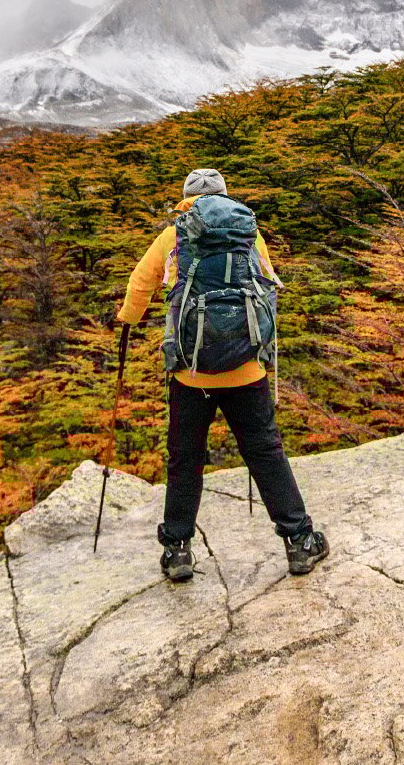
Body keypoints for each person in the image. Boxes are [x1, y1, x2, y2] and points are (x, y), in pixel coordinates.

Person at [116, 168, 328, 582]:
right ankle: (300, 541)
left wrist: (128, 320)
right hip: (246, 369)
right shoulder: (249, 233)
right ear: (226, 196)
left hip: (190, 372)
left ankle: (177, 551)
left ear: (185, 200)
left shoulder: (173, 236)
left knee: (185, 458)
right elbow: (267, 285)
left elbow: (140, 284)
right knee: (265, 451)